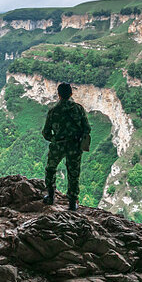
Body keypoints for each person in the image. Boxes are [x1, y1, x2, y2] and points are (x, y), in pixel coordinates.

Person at [41, 82, 91, 211]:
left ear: (58, 95)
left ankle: (51, 196)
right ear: (71, 94)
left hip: (58, 146)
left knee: (51, 169)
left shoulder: (53, 112)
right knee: (73, 173)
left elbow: (46, 133)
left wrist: (55, 139)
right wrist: (80, 138)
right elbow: (87, 128)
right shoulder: (78, 109)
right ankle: (72, 203)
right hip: (74, 146)